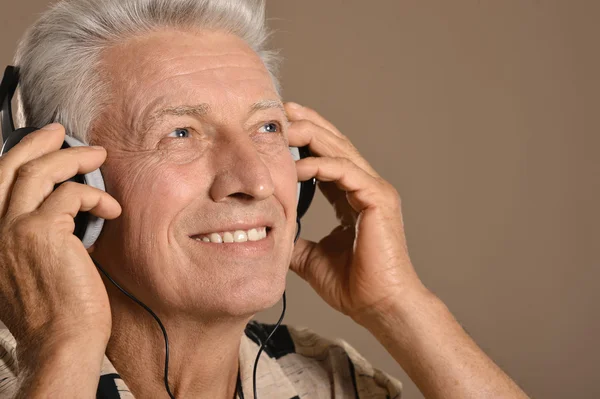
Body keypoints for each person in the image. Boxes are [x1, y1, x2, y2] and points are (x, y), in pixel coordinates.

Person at [0, 0, 530, 398]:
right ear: (63, 184)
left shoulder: (327, 379)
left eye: (267, 127)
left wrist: (397, 305)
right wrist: (60, 348)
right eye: (180, 133)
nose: (254, 180)